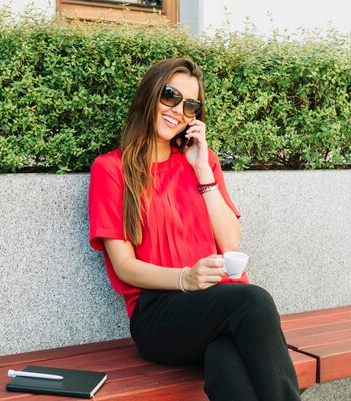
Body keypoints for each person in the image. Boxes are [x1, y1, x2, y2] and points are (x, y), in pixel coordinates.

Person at [88, 57, 301, 401]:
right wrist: (185, 279)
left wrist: (203, 171)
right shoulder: (112, 169)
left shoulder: (202, 160)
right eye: (170, 95)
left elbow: (230, 241)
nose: (178, 110)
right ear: (151, 94)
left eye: (191, 105)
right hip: (159, 314)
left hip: (218, 309)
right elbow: (125, 266)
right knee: (255, 300)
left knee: (226, 362)